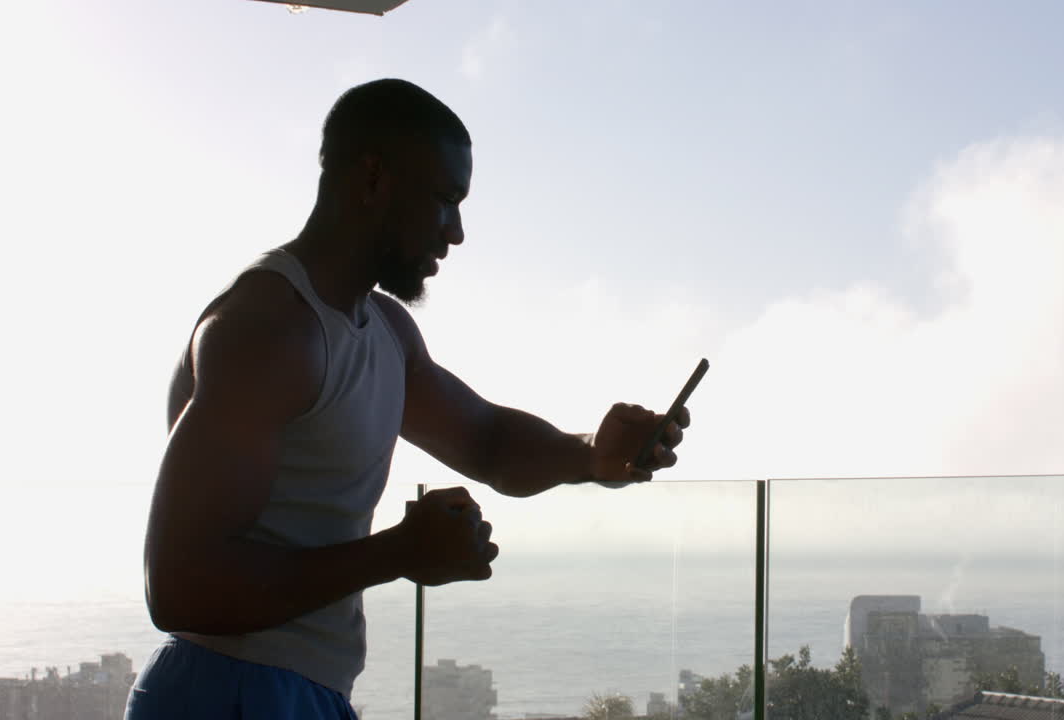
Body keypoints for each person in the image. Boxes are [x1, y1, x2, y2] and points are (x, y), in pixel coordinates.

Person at [124, 78, 690, 719]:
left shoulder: (383, 331)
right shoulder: (272, 330)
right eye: (446, 200)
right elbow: (180, 589)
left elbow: (488, 442)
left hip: (299, 693)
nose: (457, 233)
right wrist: (397, 552)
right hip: (223, 692)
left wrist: (589, 453)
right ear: (373, 179)